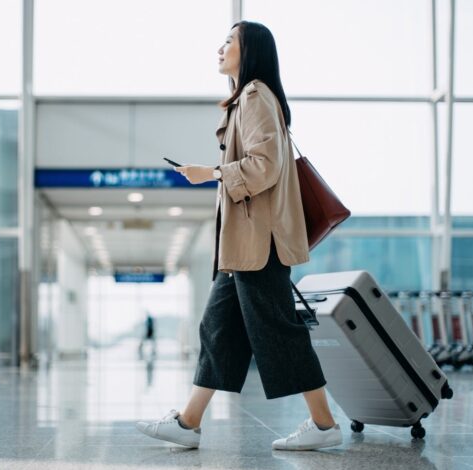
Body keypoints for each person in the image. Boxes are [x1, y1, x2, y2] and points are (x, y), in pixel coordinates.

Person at [136, 21, 342, 451]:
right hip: (243, 247)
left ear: (250, 51)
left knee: (278, 330)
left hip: (258, 244)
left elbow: (264, 166)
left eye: (229, 41)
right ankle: (188, 422)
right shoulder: (245, 100)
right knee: (218, 329)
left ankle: (324, 425)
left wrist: (208, 174)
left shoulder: (254, 96)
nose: (220, 47)